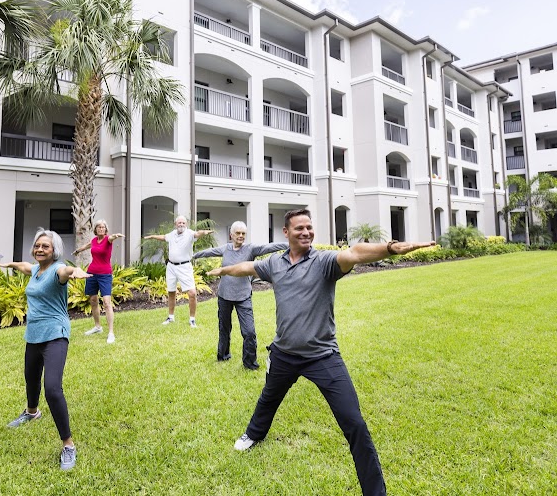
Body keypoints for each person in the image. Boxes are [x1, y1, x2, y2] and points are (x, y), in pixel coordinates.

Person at [208, 209, 435, 496]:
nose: (306, 232)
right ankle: (254, 433)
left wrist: (389, 248)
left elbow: (353, 254)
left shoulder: (324, 261)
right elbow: (249, 267)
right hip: (283, 353)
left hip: (322, 356)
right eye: (299, 228)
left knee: (353, 422)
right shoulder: (275, 263)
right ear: (286, 232)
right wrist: (224, 270)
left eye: (310, 227)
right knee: (268, 398)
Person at [0, 229, 90, 471]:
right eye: (37, 245)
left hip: (56, 334)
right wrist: (10, 263)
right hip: (34, 334)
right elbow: (24, 266)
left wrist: (75, 271)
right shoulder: (35, 270)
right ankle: (32, 412)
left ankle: (68, 445)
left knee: (52, 388)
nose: (40, 249)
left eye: (45, 246)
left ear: (54, 251)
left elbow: (66, 272)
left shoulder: (57, 270)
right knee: (30, 378)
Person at [193, 221, 286, 369]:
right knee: (224, 328)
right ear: (231, 235)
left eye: (243, 233)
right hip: (224, 296)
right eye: (238, 233)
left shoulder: (251, 249)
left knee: (249, 332)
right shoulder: (226, 249)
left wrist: (290, 244)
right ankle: (223, 355)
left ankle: (249, 363)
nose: (241, 236)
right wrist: (194, 255)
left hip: (243, 297)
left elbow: (269, 247)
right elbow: (209, 252)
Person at [144, 215, 213, 327]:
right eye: (179, 223)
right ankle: (171, 317)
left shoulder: (190, 234)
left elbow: (197, 234)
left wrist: (204, 232)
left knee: (192, 293)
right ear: (175, 224)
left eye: (183, 223)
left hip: (184, 267)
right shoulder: (172, 234)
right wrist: (152, 236)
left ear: (186, 225)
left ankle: (192, 319)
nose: (181, 225)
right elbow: (163, 237)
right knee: (171, 292)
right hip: (171, 267)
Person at [72, 219, 125, 344]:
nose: (101, 229)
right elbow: (88, 246)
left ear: (106, 230)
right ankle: (97, 327)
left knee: (107, 302)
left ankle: (111, 332)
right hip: (91, 273)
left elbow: (111, 238)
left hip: (105, 275)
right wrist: (78, 251)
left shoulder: (108, 239)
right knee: (93, 300)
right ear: (95, 229)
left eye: (103, 227)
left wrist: (115, 236)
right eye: (99, 227)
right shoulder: (94, 240)